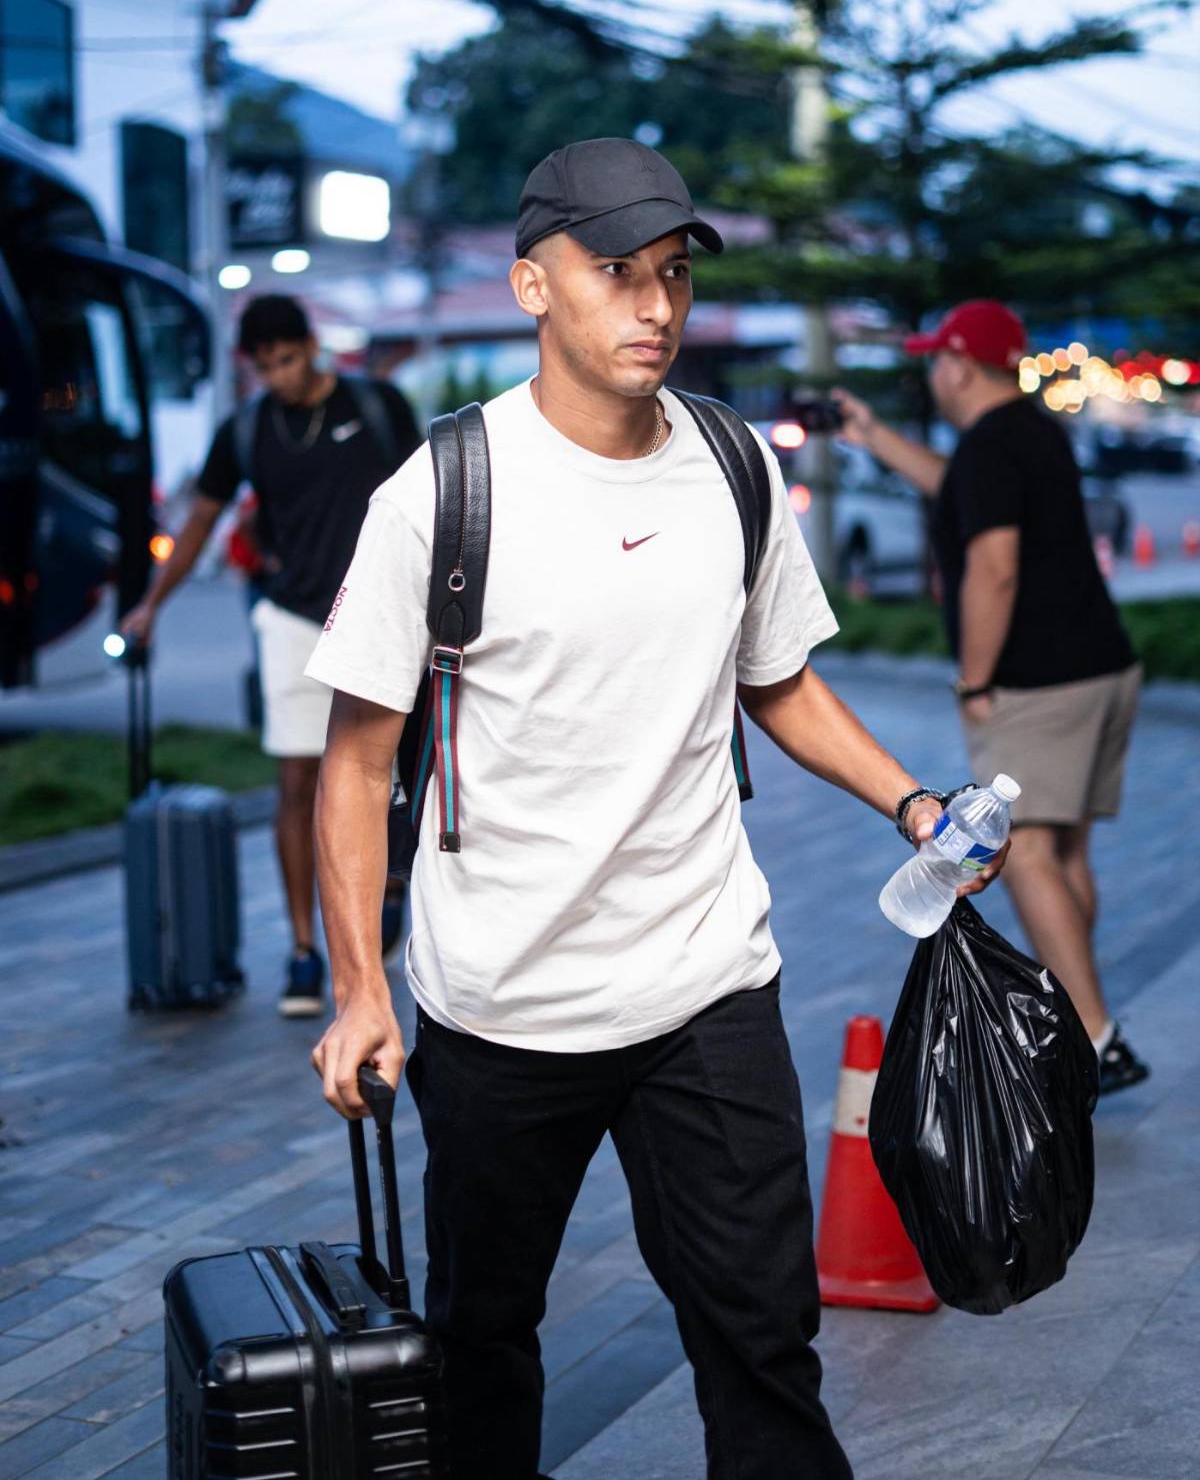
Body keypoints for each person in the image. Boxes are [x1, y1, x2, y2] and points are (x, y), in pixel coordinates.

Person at [304, 139, 1010, 1480]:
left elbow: (780, 683)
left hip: (705, 985)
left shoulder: (733, 467)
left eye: (673, 274)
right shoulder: (445, 493)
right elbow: (356, 759)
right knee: (483, 1349)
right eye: (616, 272)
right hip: (501, 1001)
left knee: (764, 1346)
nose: (655, 306)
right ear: (530, 284)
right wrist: (357, 987)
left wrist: (913, 803)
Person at [833, 299, 1149, 1096]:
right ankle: (1087, 1019)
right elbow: (955, 487)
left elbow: (994, 567)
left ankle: (1098, 1041)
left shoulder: (989, 447)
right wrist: (873, 437)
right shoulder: (1030, 432)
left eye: (936, 358)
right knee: (1066, 853)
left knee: (1028, 856)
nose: (932, 371)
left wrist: (973, 680)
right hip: (1103, 668)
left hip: (1038, 682)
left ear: (959, 365)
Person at [120, 294, 420, 1017]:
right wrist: (152, 604)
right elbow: (198, 521)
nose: (278, 376)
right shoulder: (247, 429)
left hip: (383, 617)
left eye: (287, 359)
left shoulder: (377, 406)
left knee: (392, 773)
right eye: (264, 366)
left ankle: (388, 890)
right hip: (292, 620)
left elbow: (432, 497)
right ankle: (302, 949)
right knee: (296, 781)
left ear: (311, 346)